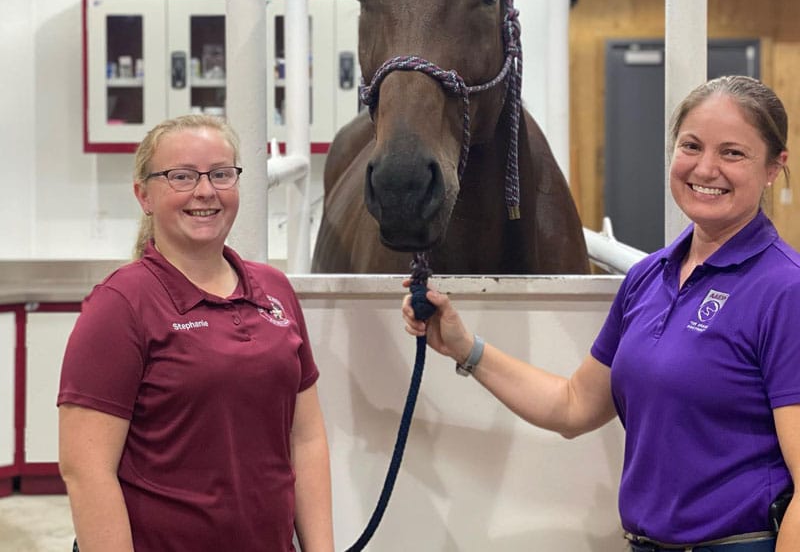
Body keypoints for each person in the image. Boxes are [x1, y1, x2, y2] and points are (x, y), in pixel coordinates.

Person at [402, 75, 800, 551]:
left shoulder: (785, 289)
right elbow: (573, 406)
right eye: (691, 146)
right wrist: (465, 348)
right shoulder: (648, 279)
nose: (706, 168)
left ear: (775, 167)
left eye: (732, 153)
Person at [58, 114, 334, 552]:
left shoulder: (275, 290)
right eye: (181, 177)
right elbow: (86, 471)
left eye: (221, 174)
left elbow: (306, 437)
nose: (205, 191)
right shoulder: (121, 304)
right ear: (144, 195)